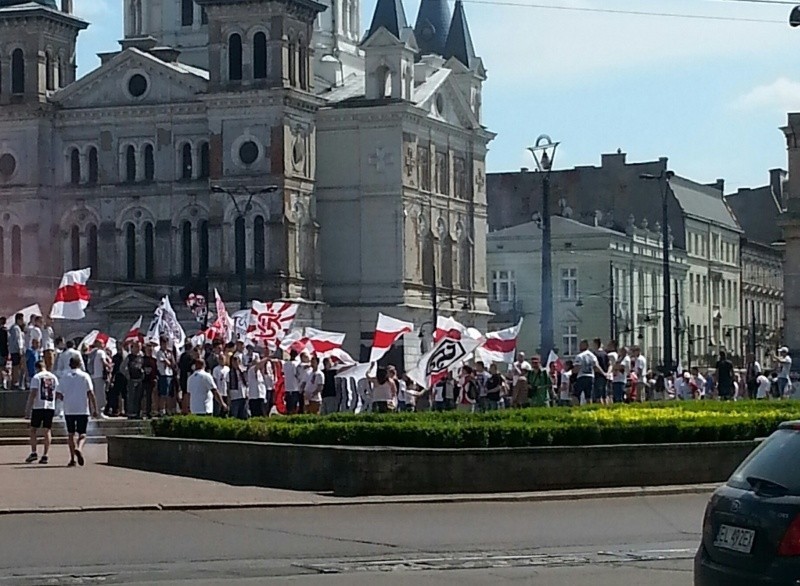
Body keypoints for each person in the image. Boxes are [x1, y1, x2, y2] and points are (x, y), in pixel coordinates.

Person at [57, 355, 97, 467]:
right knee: (82, 434)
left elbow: (58, 393)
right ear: (80, 364)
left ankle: (72, 459)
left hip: (69, 409)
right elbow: (90, 393)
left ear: (69, 365)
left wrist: (65, 400)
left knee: (70, 434)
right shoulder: (85, 376)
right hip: (82, 409)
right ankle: (79, 448)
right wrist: (95, 408)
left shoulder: (65, 376)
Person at [24, 358, 59, 464]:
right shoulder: (53, 377)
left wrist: (28, 408)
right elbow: (57, 392)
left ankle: (34, 452)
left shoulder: (36, 377)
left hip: (38, 406)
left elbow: (33, 393)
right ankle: (45, 454)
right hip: (50, 406)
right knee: (47, 430)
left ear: (36, 368)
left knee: (33, 429)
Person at [573, 340, 604, 405]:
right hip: (591, 376)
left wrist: (571, 372)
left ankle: (576, 409)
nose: (579, 346)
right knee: (588, 396)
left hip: (582, 376)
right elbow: (596, 367)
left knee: (575, 395)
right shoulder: (592, 355)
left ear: (585, 345)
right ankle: (589, 408)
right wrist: (603, 373)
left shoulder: (579, 356)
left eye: (581, 344)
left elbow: (577, 368)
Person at [122, 341, 145, 418]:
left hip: (140, 380)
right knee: (131, 397)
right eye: (136, 347)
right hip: (131, 380)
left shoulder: (142, 357)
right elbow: (122, 368)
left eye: (139, 346)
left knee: (138, 397)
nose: (138, 348)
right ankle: (130, 413)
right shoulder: (129, 357)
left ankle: (137, 412)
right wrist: (127, 375)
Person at [87, 340, 110, 418]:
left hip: (92, 376)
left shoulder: (91, 353)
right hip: (99, 376)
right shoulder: (100, 352)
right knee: (100, 395)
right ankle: (100, 412)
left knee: (93, 395)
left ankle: (92, 412)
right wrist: (109, 365)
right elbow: (103, 361)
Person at [155, 337, 175, 416]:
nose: (165, 345)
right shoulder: (160, 353)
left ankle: (168, 409)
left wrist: (172, 354)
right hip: (163, 374)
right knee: (163, 393)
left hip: (170, 374)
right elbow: (167, 363)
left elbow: (173, 364)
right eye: (163, 343)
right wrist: (169, 361)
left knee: (169, 394)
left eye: (166, 343)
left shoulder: (169, 353)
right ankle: (161, 409)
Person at [246, 353, 271, 417]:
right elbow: (258, 365)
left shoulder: (260, 372)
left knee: (263, 415)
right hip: (254, 398)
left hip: (261, 397)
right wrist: (267, 357)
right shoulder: (251, 370)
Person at [227, 353, 248, 419]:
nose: (236, 362)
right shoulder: (229, 372)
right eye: (234, 361)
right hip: (234, 396)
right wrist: (228, 397)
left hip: (243, 395)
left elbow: (246, 383)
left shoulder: (242, 371)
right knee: (234, 415)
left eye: (237, 361)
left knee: (244, 414)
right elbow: (228, 385)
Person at [142, 341, 158, 418]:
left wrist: (156, 378)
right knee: (143, 397)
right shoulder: (142, 359)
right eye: (148, 349)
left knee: (150, 397)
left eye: (151, 349)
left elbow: (156, 370)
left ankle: (149, 411)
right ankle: (142, 411)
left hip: (151, 381)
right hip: (143, 380)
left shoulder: (154, 360)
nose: (150, 350)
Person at [591, 338, 610, 404]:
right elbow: (610, 365)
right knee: (605, 394)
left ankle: (600, 409)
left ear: (596, 344)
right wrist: (607, 373)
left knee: (598, 396)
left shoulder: (594, 354)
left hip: (598, 376)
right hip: (605, 377)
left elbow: (596, 366)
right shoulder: (605, 354)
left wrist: (603, 373)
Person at [9, 313, 24, 389]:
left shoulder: (12, 328)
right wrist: (20, 350)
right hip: (16, 350)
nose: (22, 321)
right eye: (21, 319)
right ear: (18, 319)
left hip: (13, 350)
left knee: (15, 366)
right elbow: (18, 340)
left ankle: (14, 382)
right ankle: (15, 382)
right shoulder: (16, 328)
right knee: (16, 367)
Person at [283, 350, 302, 414]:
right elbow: (296, 374)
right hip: (295, 388)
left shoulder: (285, 364)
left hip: (287, 388)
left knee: (289, 407)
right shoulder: (295, 364)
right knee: (295, 407)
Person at [211, 352, 229, 416]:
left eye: (223, 359)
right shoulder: (215, 369)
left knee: (225, 410)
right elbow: (214, 380)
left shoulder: (227, 369)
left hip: (225, 391)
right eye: (220, 359)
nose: (222, 360)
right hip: (219, 392)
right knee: (217, 410)